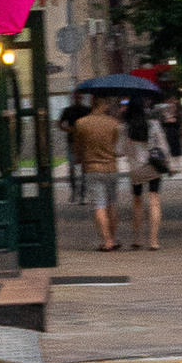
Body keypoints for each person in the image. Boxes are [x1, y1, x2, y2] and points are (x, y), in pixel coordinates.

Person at [72, 94, 126, 251]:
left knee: (99, 205)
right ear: (105, 105)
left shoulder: (81, 123)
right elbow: (115, 144)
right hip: (111, 167)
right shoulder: (113, 123)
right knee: (112, 204)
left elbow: (77, 146)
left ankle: (106, 240)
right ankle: (113, 238)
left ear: (92, 104)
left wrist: (81, 157)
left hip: (92, 168)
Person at [127, 97, 174, 252]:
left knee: (137, 201)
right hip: (153, 166)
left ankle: (137, 239)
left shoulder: (127, 127)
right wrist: (168, 164)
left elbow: (121, 150)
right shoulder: (153, 124)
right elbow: (163, 147)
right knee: (154, 200)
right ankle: (153, 241)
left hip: (136, 169)